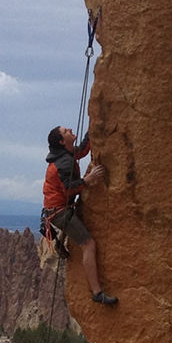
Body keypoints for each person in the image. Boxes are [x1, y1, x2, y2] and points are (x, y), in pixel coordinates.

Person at [41, 125, 118, 305]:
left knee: (85, 240)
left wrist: (93, 125)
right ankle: (97, 292)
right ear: (62, 141)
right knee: (88, 244)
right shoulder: (63, 162)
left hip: (56, 209)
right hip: (59, 212)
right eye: (65, 131)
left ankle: (62, 239)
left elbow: (82, 150)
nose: (69, 129)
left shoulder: (65, 154)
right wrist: (88, 180)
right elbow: (69, 189)